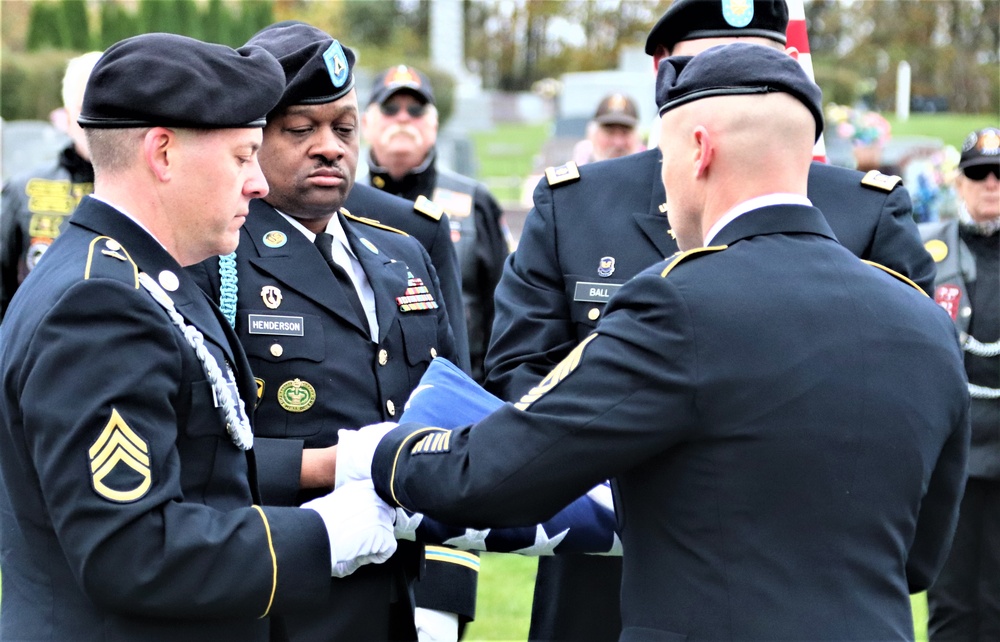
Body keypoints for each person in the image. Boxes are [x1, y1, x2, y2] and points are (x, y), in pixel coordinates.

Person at [352, 43, 970, 641]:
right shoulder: (922, 321)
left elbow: (496, 471)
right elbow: (919, 559)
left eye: (662, 158)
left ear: (699, 150)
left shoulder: (678, 302)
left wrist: (380, 455)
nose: (661, 184)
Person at [484, 1, 937, 638]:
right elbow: (518, 372)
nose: (727, 81)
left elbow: (904, 400)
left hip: (789, 572)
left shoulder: (863, 213)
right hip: (595, 574)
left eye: (754, 67)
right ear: (664, 79)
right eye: (705, 66)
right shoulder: (577, 203)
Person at [0, 33, 398, 641]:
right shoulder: (101, 305)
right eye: (242, 157)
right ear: (163, 153)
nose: (257, 183)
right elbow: (133, 553)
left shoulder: (138, 279)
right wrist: (325, 533)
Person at [186, 22, 476, 641]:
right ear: (251, 138)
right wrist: (332, 466)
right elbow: (192, 456)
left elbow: (456, 423)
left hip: (400, 590)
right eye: (301, 130)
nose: (330, 147)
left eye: (343, 128)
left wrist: (447, 593)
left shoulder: (401, 253)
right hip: (279, 598)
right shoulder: (211, 260)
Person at [361, 64, 510, 383]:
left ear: (434, 123)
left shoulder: (475, 203)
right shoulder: (339, 204)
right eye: (390, 108)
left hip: (461, 386)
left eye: (416, 109)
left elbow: (504, 311)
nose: (403, 118)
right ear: (365, 123)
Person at [920, 127, 1000, 641]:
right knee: (949, 599)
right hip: (952, 452)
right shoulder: (924, 252)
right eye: (978, 173)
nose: (991, 183)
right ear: (958, 182)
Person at [0, 50, 101, 319]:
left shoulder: (155, 189)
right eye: (86, 109)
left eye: (110, 108)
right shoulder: (22, 191)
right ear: (67, 118)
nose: (99, 122)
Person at [571, 93, 645, 165]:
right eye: (610, 133)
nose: (618, 143)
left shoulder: (650, 170)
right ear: (593, 136)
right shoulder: (580, 171)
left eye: (625, 132)